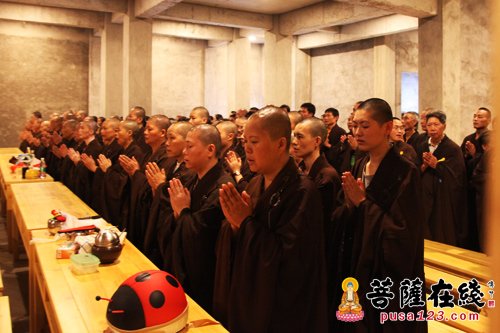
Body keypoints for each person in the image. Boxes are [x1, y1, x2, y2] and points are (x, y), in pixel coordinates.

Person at [214, 106, 327, 333]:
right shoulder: (256, 183)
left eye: (254, 142)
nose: (246, 149)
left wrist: (245, 223)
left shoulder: (303, 191)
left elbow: (292, 260)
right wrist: (235, 226)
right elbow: (245, 236)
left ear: (281, 144)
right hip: (251, 297)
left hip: (283, 311)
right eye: (245, 141)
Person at [330, 98, 426, 333]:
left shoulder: (404, 171)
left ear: (386, 128)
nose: (357, 132)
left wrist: (363, 205)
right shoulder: (360, 165)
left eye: (365, 126)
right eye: (355, 125)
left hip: (388, 277)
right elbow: (347, 213)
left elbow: (403, 234)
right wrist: (351, 207)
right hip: (358, 261)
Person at [159, 124, 234, 313]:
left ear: (210, 150)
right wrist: (178, 213)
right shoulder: (193, 179)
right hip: (186, 269)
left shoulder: (223, 186)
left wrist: (182, 211)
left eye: (190, 146)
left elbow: (203, 236)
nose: (184, 152)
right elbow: (175, 216)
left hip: (205, 275)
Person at [143, 121, 196, 266]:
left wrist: (160, 186)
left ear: (187, 141)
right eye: (166, 138)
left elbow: (176, 203)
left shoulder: (191, 171)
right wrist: (156, 189)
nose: (166, 143)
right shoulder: (170, 163)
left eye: (172, 138)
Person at [418, 111, 468, 248]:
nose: (432, 128)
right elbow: (414, 170)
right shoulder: (421, 145)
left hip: (443, 199)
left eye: (436, 124)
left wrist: (437, 165)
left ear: (444, 126)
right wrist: (423, 166)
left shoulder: (452, 148)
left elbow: (457, 176)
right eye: (429, 125)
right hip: (424, 195)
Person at [120, 115, 170, 249]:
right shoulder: (149, 153)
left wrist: (136, 173)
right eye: (145, 129)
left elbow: (151, 187)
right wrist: (134, 173)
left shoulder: (166, 156)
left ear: (162, 133)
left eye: (150, 129)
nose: (145, 132)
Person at [98, 120, 145, 228]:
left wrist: (108, 169)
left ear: (129, 133)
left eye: (119, 131)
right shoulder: (123, 150)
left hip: (125, 205)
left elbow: (125, 181)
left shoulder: (135, 152)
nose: (116, 134)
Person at [82, 118, 123, 217]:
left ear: (116, 131)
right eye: (101, 129)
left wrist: (94, 168)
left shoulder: (119, 149)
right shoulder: (107, 147)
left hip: (109, 200)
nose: (101, 132)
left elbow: (116, 177)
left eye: (105, 129)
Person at [70, 120, 103, 205]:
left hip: (88, 188)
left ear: (91, 131)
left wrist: (77, 162)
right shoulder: (85, 146)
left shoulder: (95, 147)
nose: (79, 131)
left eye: (82, 128)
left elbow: (88, 171)